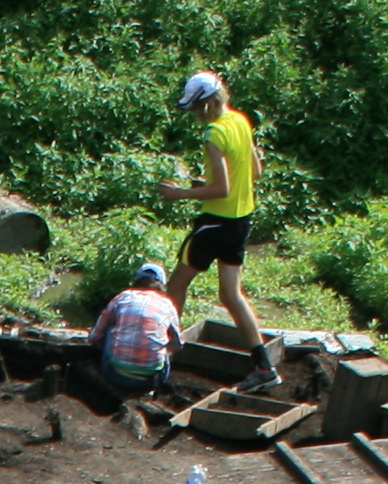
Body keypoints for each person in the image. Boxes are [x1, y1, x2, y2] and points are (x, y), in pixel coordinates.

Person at [155, 72, 271, 391]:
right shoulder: (240, 121)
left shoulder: (214, 134)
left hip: (214, 223)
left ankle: (164, 351)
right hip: (241, 221)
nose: (193, 115)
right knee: (231, 294)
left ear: (205, 105)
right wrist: (203, 186)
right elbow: (256, 172)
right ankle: (264, 366)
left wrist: (180, 194)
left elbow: (221, 189)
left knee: (177, 283)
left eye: (194, 108)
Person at [92, 263, 183, 400]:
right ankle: (150, 387)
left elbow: (95, 335)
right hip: (152, 380)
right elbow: (178, 345)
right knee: (164, 342)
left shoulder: (123, 297)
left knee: (111, 328)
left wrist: (99, 344)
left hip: (114, 375)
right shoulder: (168, 305)